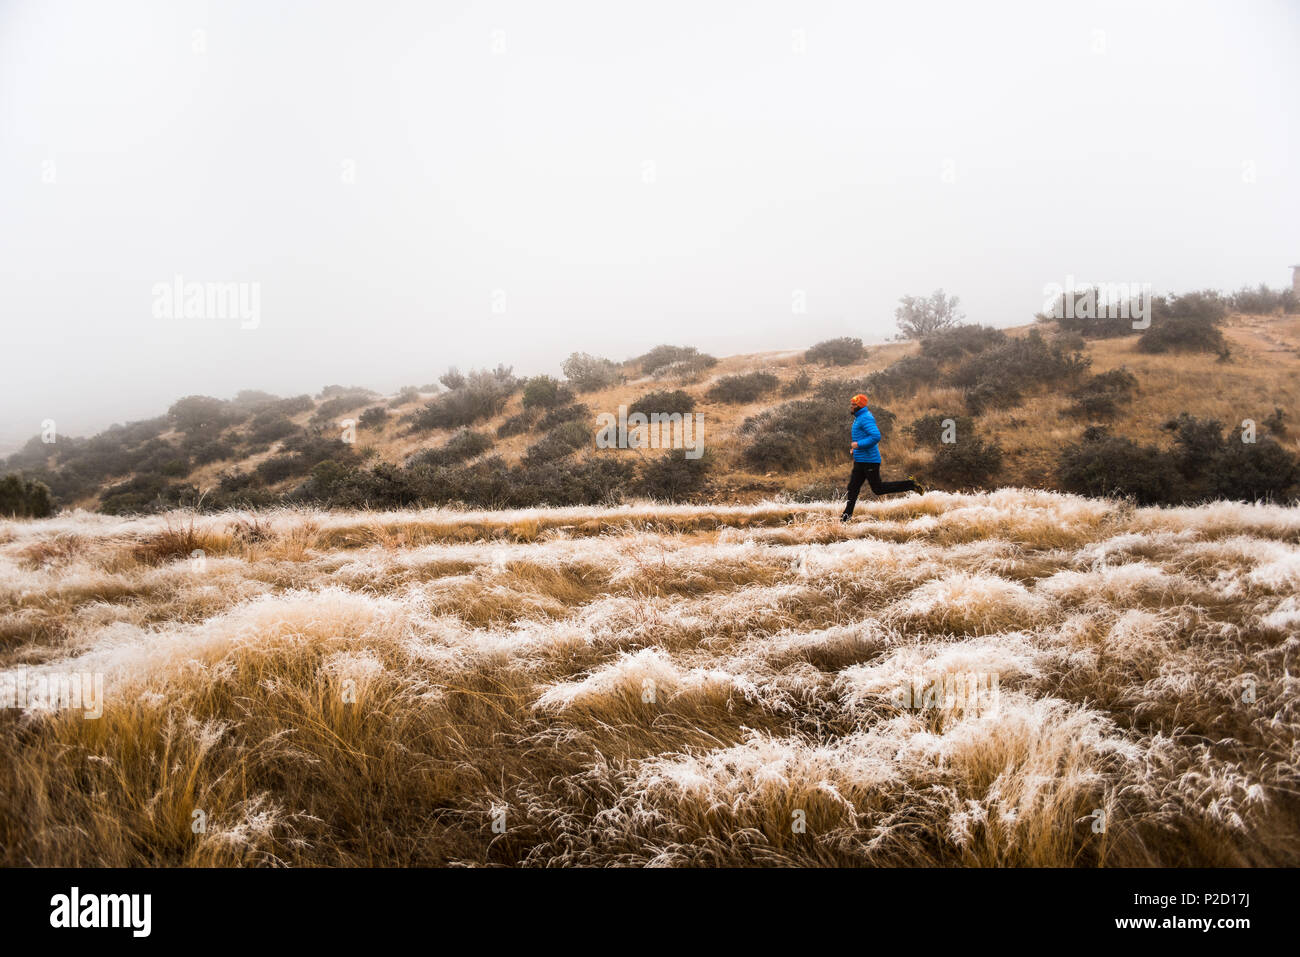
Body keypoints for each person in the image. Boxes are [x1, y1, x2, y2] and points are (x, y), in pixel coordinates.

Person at [842, 393, 925, 522]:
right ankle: (845, 519)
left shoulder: (865, 418)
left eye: (854, 405)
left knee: (878, 489)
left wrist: (858, 444)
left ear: (860, 406)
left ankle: (911, 484)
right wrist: (855, 449)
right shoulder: (859, 417)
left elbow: (876, 436)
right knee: (852, 488)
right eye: (851, 404)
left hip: (870, 461)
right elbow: (863, 437)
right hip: (860, 460)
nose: (851, 407)